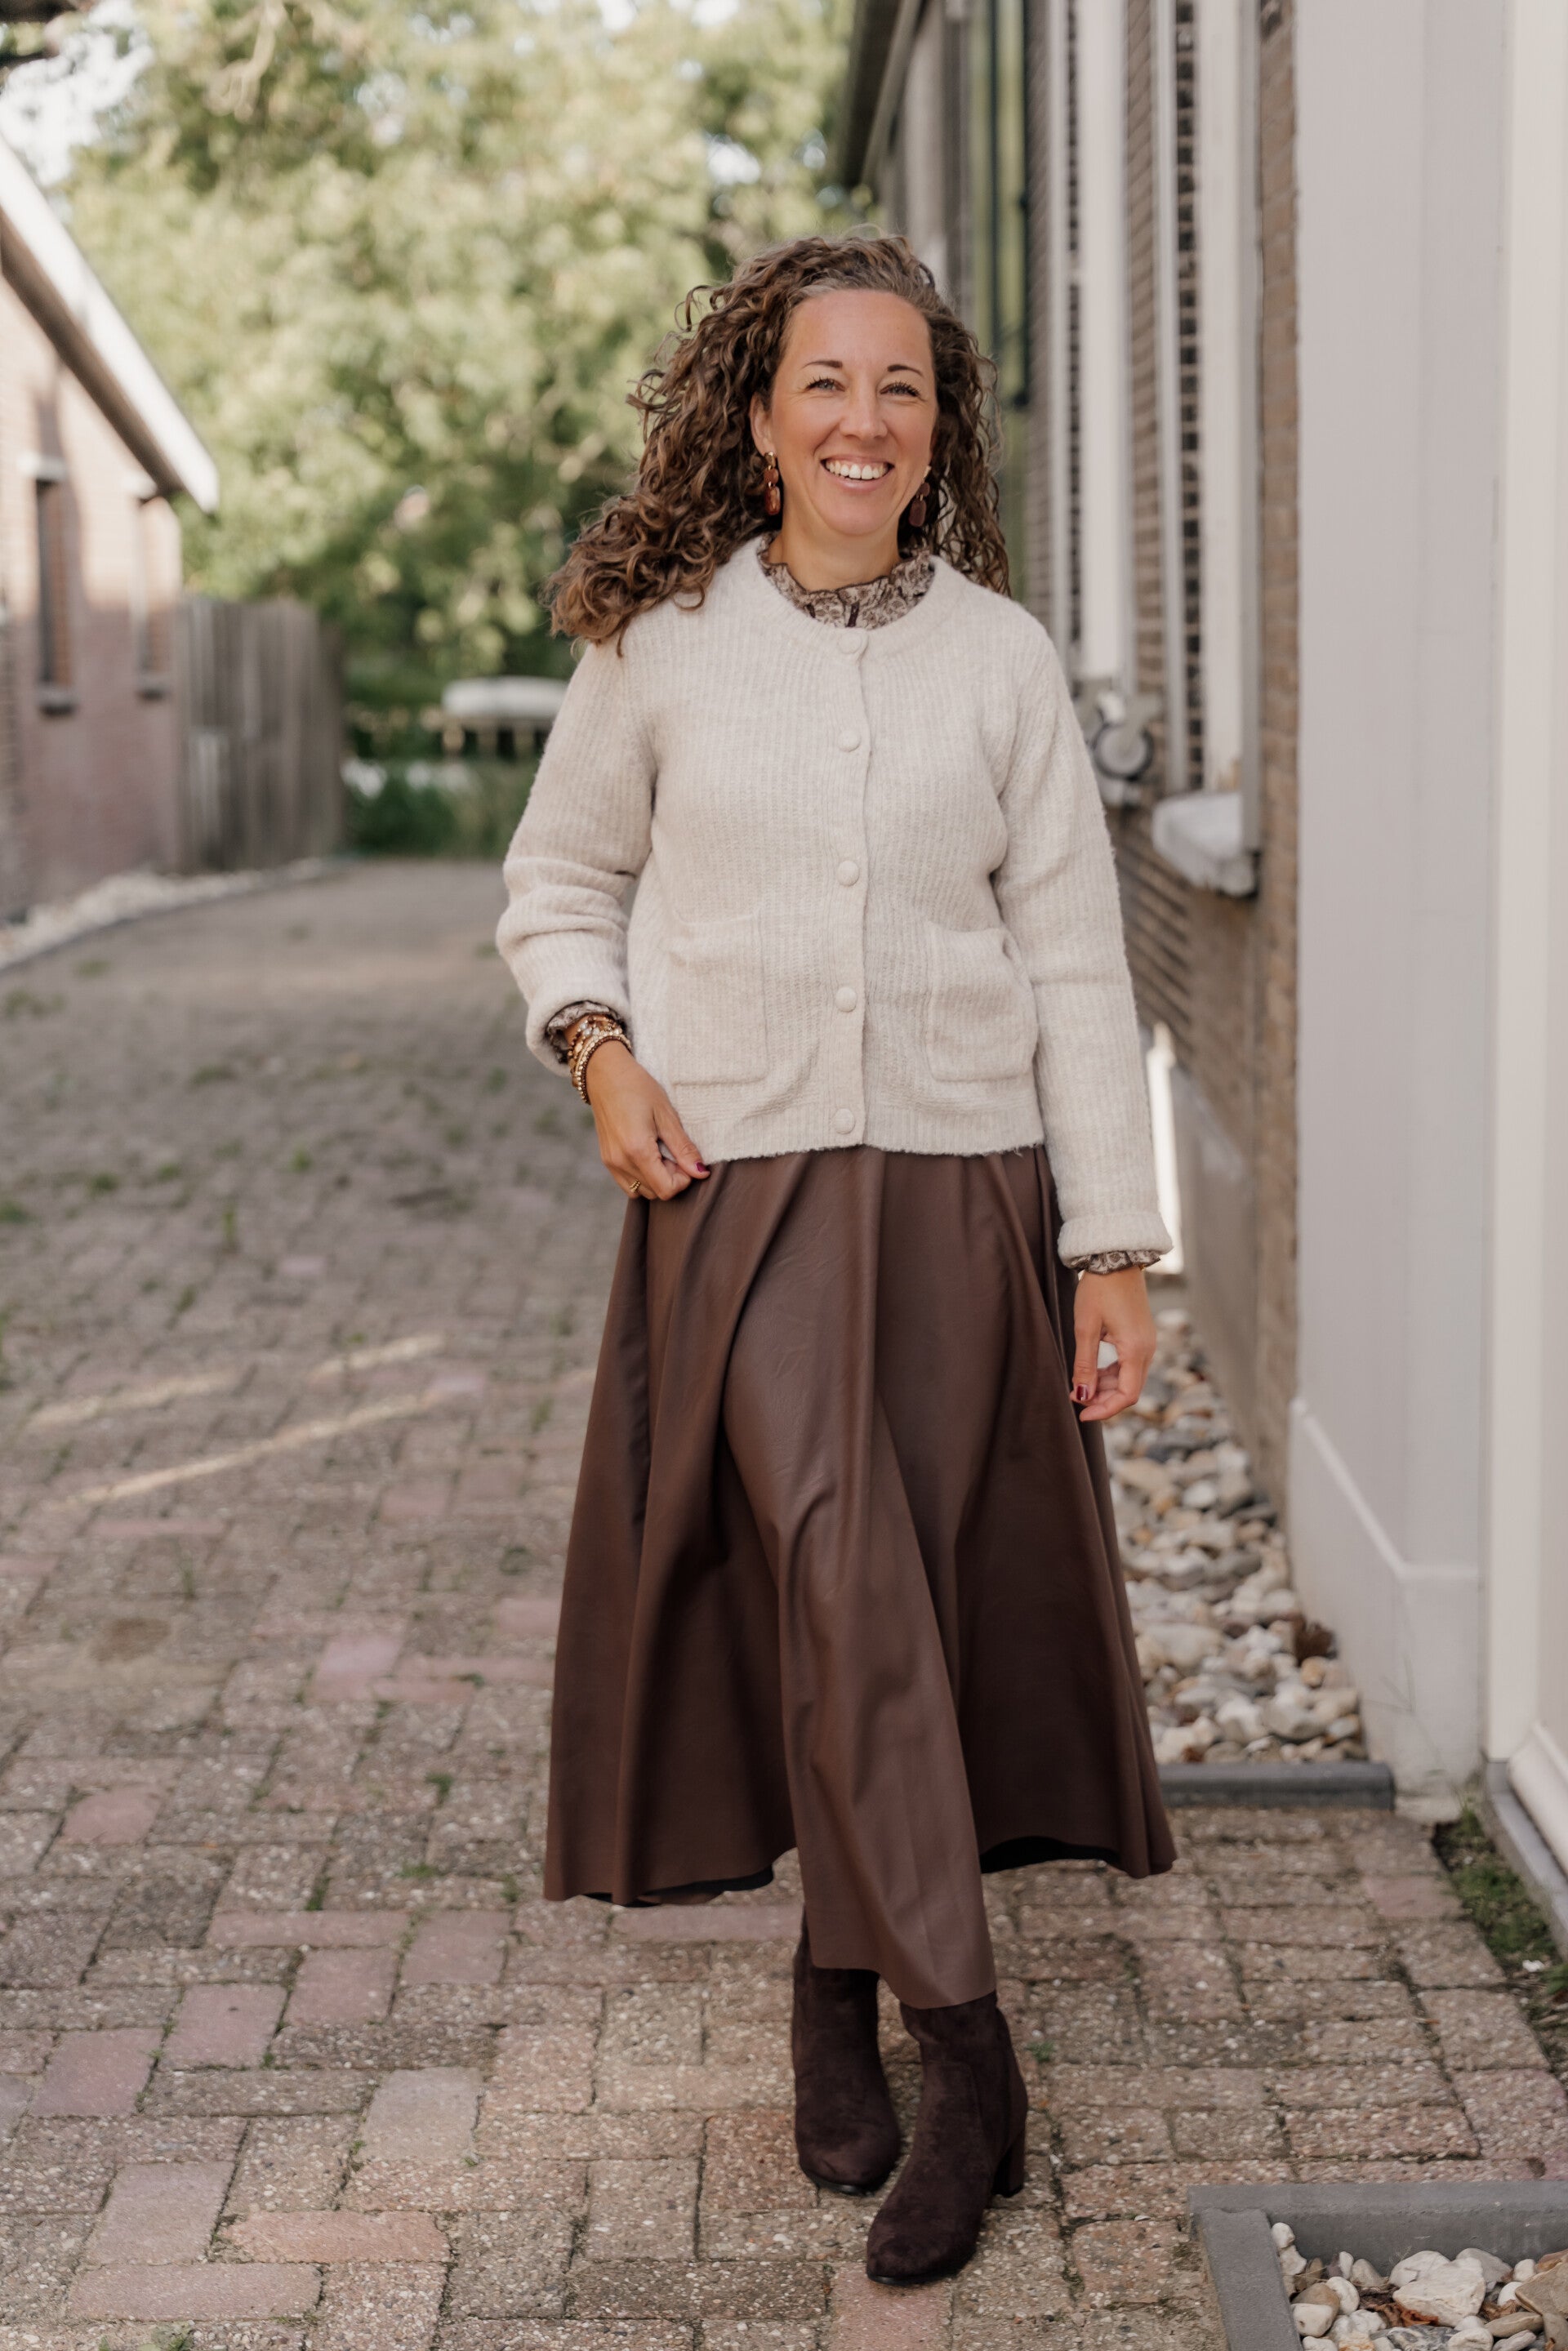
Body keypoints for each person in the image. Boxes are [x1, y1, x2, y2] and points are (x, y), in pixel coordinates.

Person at [497, 231, 1174, 2286]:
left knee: (908, 1608)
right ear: (761, 413)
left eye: (902, 387)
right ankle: (970, 2057)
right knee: (832, 1567)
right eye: (826, 383)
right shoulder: (666, 646)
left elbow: (1076, 961)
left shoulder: (1001, 662)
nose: (864, 421)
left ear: (939, 425)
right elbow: (557, 881)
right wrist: (600, 1053)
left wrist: (1113, 1244)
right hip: (739, 1201)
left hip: (968, 1197)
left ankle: (832, 1976)